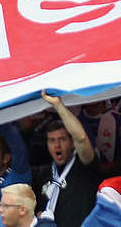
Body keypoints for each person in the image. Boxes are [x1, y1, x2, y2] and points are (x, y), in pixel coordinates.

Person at [34, 92, 99, 227]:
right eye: (51, 140)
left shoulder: (84, 165)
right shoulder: (43, 176)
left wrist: (58, 105)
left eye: (62, 139)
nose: (56, 145)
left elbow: (81, 137)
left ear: (72, 143)